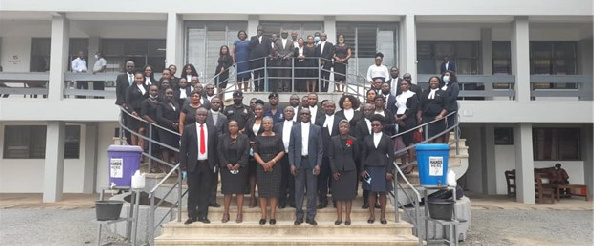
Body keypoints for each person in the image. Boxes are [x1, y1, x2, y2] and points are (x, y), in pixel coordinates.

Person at [180, 108, 218, 225]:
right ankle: (191, 216)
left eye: (204, 115)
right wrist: (183, 166)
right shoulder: (188, 129)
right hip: (193, 165)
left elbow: (216, 147)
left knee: (205, 191)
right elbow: (183, 149)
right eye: (199, 115)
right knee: (193, 191)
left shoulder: (212, 129)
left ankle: (203, 215)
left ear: (207, 116)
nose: (201, 117)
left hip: (207, 164)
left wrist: (215, 164)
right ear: (195, 115)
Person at [289, 108, 323, 226]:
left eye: (306, 114)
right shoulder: (294, 128)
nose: (304, 115)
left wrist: (318, 164)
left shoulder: (317, 129)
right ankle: (299, 216)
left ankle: (310, 216)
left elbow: (320, 149)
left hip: (312, 163)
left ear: (310, 115)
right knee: (298, 191)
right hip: (299, 163)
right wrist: (292, 164)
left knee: (312, 191)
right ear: (299, 115)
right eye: (302, 113)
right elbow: (291, 148)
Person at [361, 114, 394, 225]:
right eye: (373, 125)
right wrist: (362, 169)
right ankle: (372, 215)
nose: (375, 126)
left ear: (382, 126)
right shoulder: (367, 138)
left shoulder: (388, 139)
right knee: (371, 192)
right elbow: (363, 155)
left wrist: (389, 171)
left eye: (377, 124)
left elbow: (391, 156)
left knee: (382, 192)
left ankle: (383, 216)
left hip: (383, 168)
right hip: (369, 167)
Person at [253, 116, 285, 225]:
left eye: (269, 123)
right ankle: (263, 216)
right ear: (262, 125)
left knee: (273, 192)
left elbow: (282, 151)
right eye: (265, 123)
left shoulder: (277, 137)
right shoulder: (258, 137)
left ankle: (272, 216)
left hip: (275, 166)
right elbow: (255, 152)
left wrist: (272, 162)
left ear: (272, 124)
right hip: (261, 166)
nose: (267, 125)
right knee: (262, 192)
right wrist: (262, 163)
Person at [217, 120, 250, 223]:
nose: (232, 128)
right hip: (226, 168)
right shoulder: (222, 138)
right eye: (230, 126)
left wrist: (239, 164)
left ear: (238, 127)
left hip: (240, 168)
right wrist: (226, 164)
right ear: (228, 127)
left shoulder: (244, 138)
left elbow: (246, 152)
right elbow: (219, 152)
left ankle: (239, 214)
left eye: (235, 126)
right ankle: (226, 213)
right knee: (227, 191)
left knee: (240, 191)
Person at [329, 120, 360, 225]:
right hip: (337, 171)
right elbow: (331, 156)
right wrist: (334, 171)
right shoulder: (333, 140)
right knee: (338, 195)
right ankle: (339, 218)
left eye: (345, 126)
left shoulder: (352, 140)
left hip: (350, 170)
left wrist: (348, 163)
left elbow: (356, 155)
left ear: (349, 128)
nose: (343, 128)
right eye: (341, 126)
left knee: (348, 195)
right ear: (339, 128)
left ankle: (347, 217)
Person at [315, 101, 343, 209]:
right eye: (327, 106)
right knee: (322, 178)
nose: (329, 108)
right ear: (324, 108)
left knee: (336, 178)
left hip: (337, 156)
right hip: (323, 155)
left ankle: (336, 199)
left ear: (335, 107)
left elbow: (349, 139)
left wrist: (348, 147)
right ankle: (323, 200)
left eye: (331, 106)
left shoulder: (340, 120)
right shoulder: (319, 121)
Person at [273, 106, 298, 208]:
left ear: (294, 114)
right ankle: (281, 200)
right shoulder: (277, 126)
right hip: (280, 155)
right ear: (283, 113)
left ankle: (293, 200)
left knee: (293, 178)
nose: (288, 112)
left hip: (294, 156)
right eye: (286, 111)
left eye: (290, 111)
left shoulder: (298, 125)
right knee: (281, 178)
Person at [208, 97, 228, 207]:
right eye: (214, 102)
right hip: (207, 149)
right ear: (211, 103)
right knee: (208, 176)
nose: (216, 104)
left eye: (217, 102)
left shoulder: (224, 118)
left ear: (220, 104)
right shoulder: (205, 115)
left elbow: (225, 134)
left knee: (216, 177)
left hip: (219, 149)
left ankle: (213, 199)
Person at [394, 79, 419, 170]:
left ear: (409, 85)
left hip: (409, 119)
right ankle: (403, 164)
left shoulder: (413, 95)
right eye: (402, 84)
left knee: (409, 141)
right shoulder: (398, 96)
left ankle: (410, 163)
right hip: (398, 119)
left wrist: (402, 118)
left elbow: (412, 109)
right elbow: (394, 108)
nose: (403, 85)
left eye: (405, 84)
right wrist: (397, 118)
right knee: (401, 141)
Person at [417, 76, 449, 143]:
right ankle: (429, 153)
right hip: (426, 119)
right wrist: (419, 117)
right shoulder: (424, 93)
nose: (433, 82)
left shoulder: (443, 93)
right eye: (432, 81)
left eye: (435, 81)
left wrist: (441, 115)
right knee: (428, 137)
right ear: (429, 83)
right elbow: (420, 106)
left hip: (438, 119)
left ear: (439, 83)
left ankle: (437, 153)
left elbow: (447, 106)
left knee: (438, 137)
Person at [245, 102, 265, 208]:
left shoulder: (267, 121)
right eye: (256, 109)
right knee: (252, 174)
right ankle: (253, 197)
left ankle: (262, 197)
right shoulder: (250, 121)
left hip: (264, 151)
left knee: (262, 174)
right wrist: (249, 142)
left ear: (263, 110)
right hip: (252, 151)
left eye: (260, 109)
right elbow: (246, 135)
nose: (258, 111)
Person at [141, 84, 162, 172]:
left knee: (158, 146)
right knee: (151, 146)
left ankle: (157, 165)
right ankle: (152, 166)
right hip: (151, 126)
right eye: (152, 90)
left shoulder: (160, 102)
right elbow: (143, 114)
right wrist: (153, 122)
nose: (154, 92)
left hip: (159, 127)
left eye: (155, 90)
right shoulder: (146, 102)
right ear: (149, 91)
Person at [156, 88, 180, 166]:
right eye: (168, 93)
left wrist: (177, 123)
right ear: (164, 94)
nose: (169, 95)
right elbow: (159, 117)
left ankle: (177, 168)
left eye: (171, 93)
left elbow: (179, 115)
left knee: (176, 147)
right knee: (165, 147)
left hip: (175, 129)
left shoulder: (176, 104)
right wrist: (171, 123)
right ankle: (167, 167)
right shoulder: (161, 104)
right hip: (165, 129)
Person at [126, 72, 149, 148]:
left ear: (143, 78)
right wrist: (132, 111)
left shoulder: (147, 87)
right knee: (134, 132)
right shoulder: (130, 88)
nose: (139, 80)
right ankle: (134, 150)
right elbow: (128, 102)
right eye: (137, 78)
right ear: (134, 78)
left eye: (140, 78)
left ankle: (141, 153)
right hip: (134, 112)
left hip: (143, 112)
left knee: (141, 131)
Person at [115, 61, 136, 144]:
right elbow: (118, 92)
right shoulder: (120, 77)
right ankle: (128, 141)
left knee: (135, 123)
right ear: (126, 67)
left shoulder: (137, 77)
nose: (130, 68)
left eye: (131, 66)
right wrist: (122, 103)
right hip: (125, 105)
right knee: (127, 123)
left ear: (134, 67)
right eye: (128, 66)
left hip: (135, 104)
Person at [441, 70, 459, 143]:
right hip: (441, 108)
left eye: (448, 75)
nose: (446, 76)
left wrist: (445, 103)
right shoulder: (441, 85)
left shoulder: (454, 85)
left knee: (448, 126)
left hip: (450, 108)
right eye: (445, 75)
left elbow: (453, 96)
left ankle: (446, 142)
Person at [250, 26, 270, 92]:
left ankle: (261, 88)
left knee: (262, 74)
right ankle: (256, 87)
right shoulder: (253, 38)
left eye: (261, 30)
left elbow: (269, 48)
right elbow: (251, 45)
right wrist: (257, 38)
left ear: (263, 31)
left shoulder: (266, 39)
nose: (259, 31)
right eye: (258, 30)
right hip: (255, 59)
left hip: (263, 59)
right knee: (255, 74)